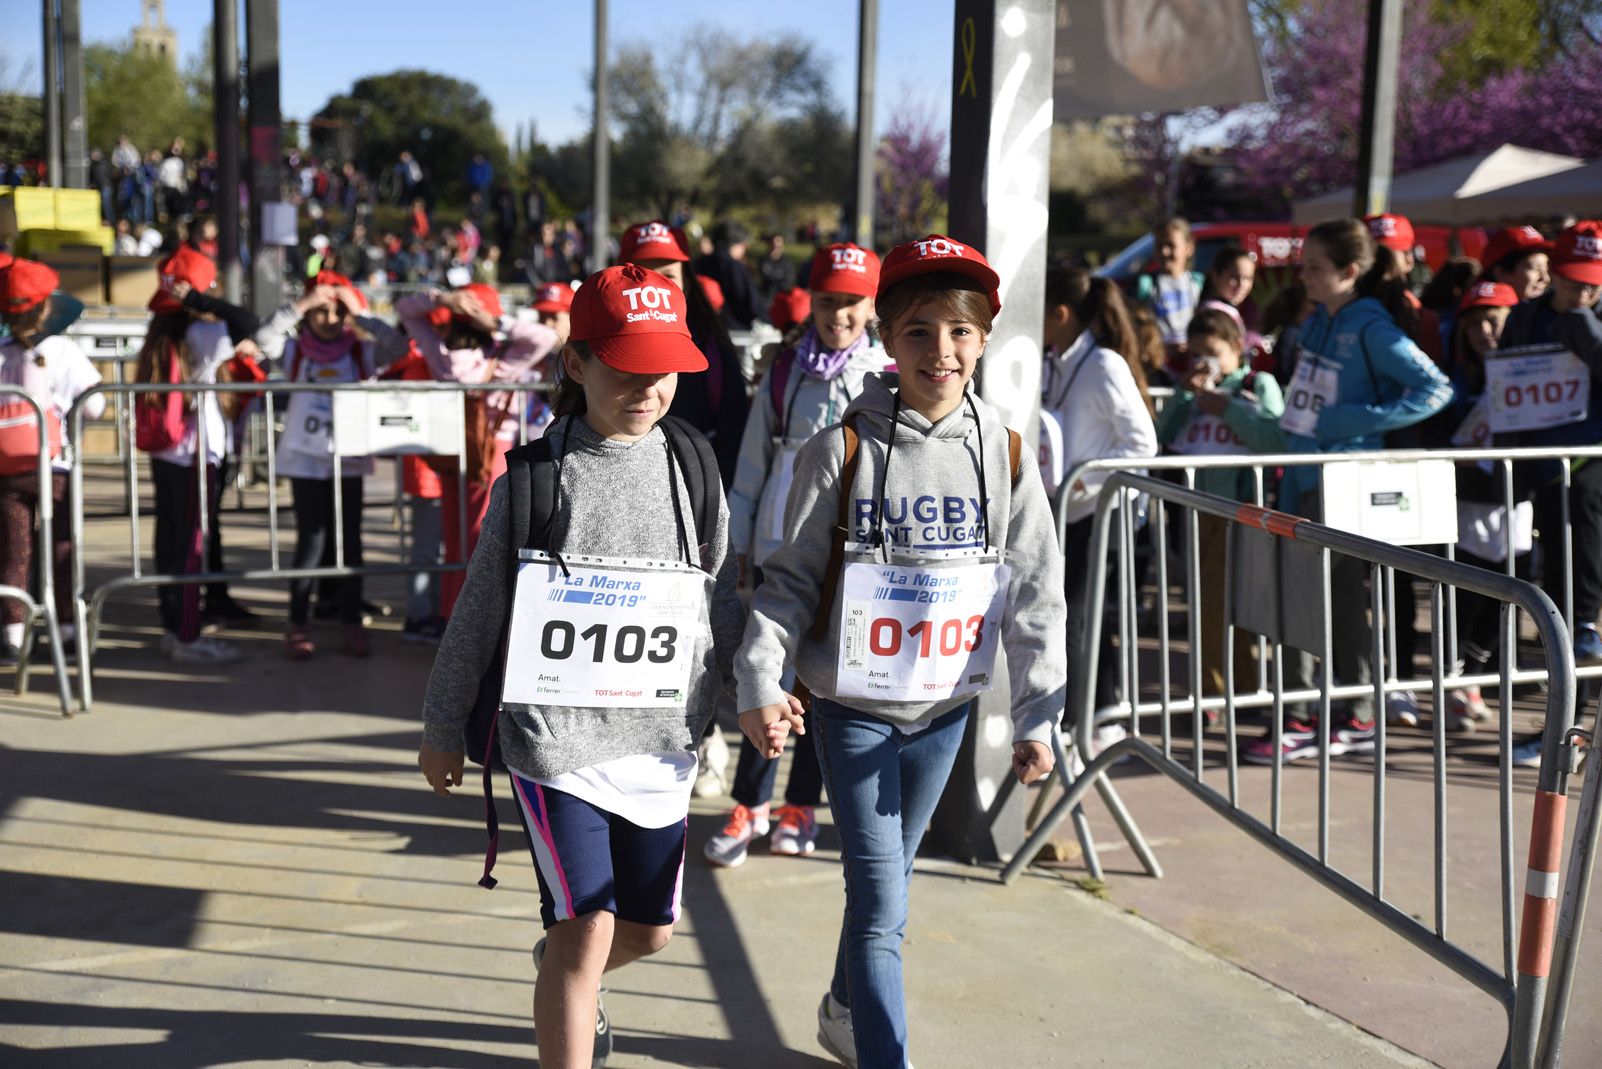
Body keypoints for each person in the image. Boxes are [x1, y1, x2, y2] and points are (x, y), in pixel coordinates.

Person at [735, 235, 1065, 1068]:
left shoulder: (1008, 453)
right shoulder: (838, 450)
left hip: (946, 711)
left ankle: (844, 1005)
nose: (940, 352)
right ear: (887, 338)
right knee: (881, 905)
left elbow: (1035, 591)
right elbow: (787, 583)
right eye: (918, 332)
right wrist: (759, 680)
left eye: (958, 333)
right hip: (849, 709)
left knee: (889, 884)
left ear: (985, 339)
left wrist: (1040, 714)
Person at [418, 264, 742, 1069]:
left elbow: (719, 601)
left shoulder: (695, 469)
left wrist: (749, 697)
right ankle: (570, 976)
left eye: (661, 368)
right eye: (625, 365)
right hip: (554, 744)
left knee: (648, 932)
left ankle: (565, 970)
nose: (644, 386)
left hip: (660, 743)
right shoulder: (533, 479)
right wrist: (443, 725)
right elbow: (478, 615)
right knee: (587, 923)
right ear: (577, 362)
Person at [1246, 218, 1452, 765]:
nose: (1303, 275)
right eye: (1304, 264)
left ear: (1349, 272)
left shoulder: (1370, 326)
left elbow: (1435, 387)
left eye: (1314, 267)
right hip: (1302, 473)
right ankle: (1325, 711)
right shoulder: (1318, 320)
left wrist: (1360, 420)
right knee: (1306, 596)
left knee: (1323, 598)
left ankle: (1337, 713)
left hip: (1342, 481)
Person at [708, 243, 887, 868]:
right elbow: (753, 465)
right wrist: (737, 544)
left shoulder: (888, 372)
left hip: (852, 555)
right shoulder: (786, 372)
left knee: (820, 682)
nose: (839, 315)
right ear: (811, 301)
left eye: (852, 303)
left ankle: (799, 806)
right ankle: (749, 803)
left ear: (871, 307)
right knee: (766, 673)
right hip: (781, 543)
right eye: (829, 301)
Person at [255, 271, 405, 659]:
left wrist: (362, 313)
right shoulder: (296, 352)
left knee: (351, 543)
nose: (329, 319)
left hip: (348, 460)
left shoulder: (360, 352)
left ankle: (351, 621)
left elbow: (398, 347)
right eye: (320, 312)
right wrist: (300, 305)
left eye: (336, 312)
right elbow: (262, 340)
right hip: (306, 461)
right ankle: (297, 623)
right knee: (311, 542)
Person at [395, 281, 560, 619]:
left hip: (448, 449)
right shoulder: (501, 361)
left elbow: (404, 311)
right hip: (491, 452)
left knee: (456, 539)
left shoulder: (440, 354)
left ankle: (448, 615)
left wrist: (441, 299)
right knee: (483, 538)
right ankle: (474, 619)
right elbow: (545, 338)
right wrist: (497, 323)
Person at [1041, 267, 1157, 737]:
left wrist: (1084, 481)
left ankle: (1086, 721)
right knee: (1076, 618)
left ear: (1061, 313)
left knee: (1076, 619)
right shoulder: (1055, 360)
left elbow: (1142, 443)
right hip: (1066, 512)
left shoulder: (1104, 364)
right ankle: (1101, 717)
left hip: (1099, 513)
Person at [135, 246, 263, 665]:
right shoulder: (204, 334)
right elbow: (248, 320)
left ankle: (174, 626)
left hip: (171, 453)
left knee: (170, 538)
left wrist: (188, 297)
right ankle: (187, 635)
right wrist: (197, 298)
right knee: (190, 544)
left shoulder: (164, 330)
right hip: (195, 454)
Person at [1155, 307, 1285, 696]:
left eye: (1211, 352)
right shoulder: (1192, 390)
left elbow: (1276, 439)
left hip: (1242, 510)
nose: (1203, 362)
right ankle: (1220, 689)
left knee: (1235, 606)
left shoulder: (1258, 383)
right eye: (1195, 354)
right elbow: (1163, 435)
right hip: (1198, 510)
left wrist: (1227, 409)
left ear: (1234, 347)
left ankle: (1230, 688)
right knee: (1206, 603)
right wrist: (1183, 395)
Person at [1499, 221, 1602, 675]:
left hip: (1591, 453)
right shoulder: (1524, 317)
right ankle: (1560, 641)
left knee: (1585, 522)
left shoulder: (1592, 314)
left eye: (1593, 284)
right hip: (1539, 454)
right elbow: (1503, 383)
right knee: (1553, 549)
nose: (1584, 291)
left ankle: (1585, 625)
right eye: (1574, 280)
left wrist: (1582, 324)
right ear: (1555, 274)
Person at [1423, 280, 1525, 734]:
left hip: (1515, 507)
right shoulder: (1455, 381)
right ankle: (1454, 687)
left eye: (1496, 321)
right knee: (1461, 603)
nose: (1486, 331)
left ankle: (1474, 681)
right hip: (1464, 508)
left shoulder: (1531, 371)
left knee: (1501, 606)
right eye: (1478, 321)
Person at [0, 260, 105, 659]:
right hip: (54, 466)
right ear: (45, 308)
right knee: (61, 548)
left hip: (6, 470)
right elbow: (95, 405)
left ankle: (12, 634)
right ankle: (65, 629)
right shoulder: (61, 349)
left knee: (13, 551)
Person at [619, 220, 750, 486]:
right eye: (640, 273)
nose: (653, 289)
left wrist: (710, 504)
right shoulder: (595, 349)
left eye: (667, 276)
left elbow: (733, 437)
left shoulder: (715, 352)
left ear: (688, 283)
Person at [1134, 217, 1203, 373]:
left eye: (1171, 246)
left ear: (1188, 248)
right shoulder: (1146, 284)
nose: (1165, 252)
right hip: (1158, 366)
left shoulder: (1197, 283)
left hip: (1191, 363)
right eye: (1160, 246)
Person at [694, 220, 761, 330]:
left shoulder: (698, 263)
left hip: (701, 327)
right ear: (735, 244)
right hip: (734, 330)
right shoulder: (734, 266)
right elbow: (749, 303)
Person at [1481, 226, 1551, 303]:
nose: (1545, 278)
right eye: (1536, 269)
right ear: (1501, 273)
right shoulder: (1478, 313)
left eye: (1546, 269)